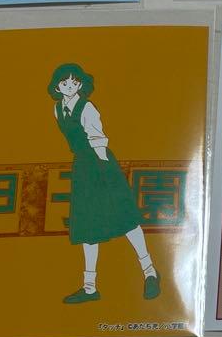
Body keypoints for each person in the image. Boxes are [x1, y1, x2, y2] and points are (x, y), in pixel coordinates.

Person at [47, 63, 159, 304]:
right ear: (57, 86)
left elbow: (98, 138)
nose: (70, 86)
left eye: (74, 82)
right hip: (82, 168)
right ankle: (89, 288)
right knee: (88, 227)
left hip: (101, 164)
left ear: (81, 84)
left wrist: (105, 172)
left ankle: (150, 272)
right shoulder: (57, 109)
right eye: (65, 83)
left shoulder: (87, 107)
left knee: (126, 219)